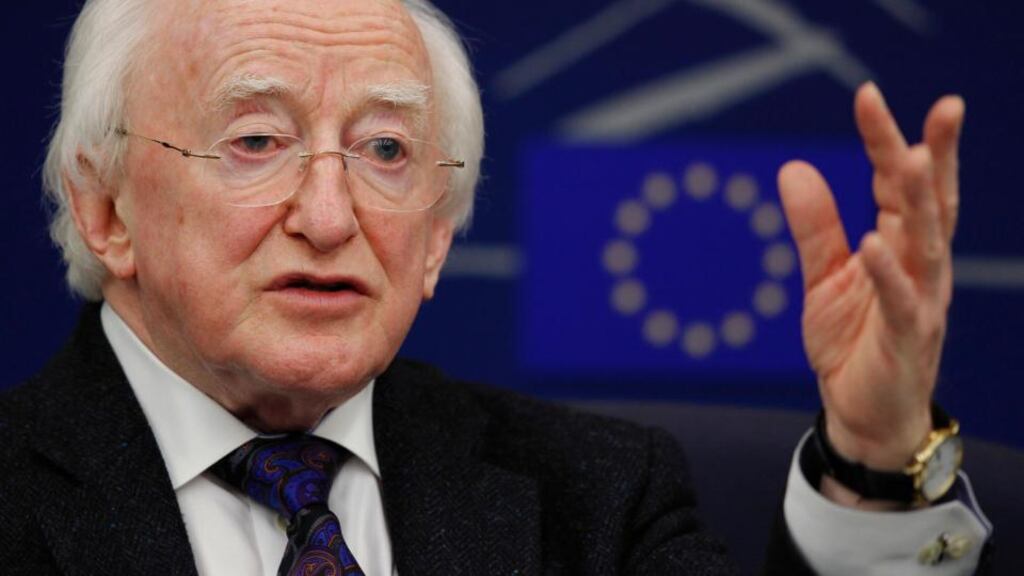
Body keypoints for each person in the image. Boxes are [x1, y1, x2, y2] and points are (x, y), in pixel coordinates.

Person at [0, 0, 991, 574]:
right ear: (106, 210)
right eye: (256, 141)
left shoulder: (595, 498)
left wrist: (871, 461)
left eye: (386, 150)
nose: (331, 216)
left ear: (436, 239)